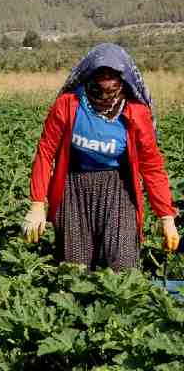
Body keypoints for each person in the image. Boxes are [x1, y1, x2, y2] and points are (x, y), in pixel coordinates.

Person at [24, 43, 178, 271]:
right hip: (73, 185)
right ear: (89, 74)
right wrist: (37, 204)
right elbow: (46, 152)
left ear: (123, 79)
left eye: (112, 75)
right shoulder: (68, 105)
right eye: (100, 74)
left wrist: (167, 217)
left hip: (117, 186)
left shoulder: (136, 112)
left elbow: (152, 166)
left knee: (122, 263)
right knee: (74, 268)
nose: (106, 82)